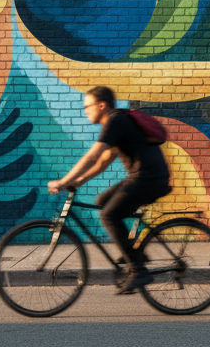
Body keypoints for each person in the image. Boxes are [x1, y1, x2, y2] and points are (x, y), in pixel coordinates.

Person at [48, 86, 171, 294]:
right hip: (143, 177)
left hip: (149, 179)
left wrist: (62, 181)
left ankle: (138, 270)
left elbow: (92, 156)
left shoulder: (116, 121)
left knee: (109, 215)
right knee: (103, 201)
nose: (85, 111)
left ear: (102, 105)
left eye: (88, 106)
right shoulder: (116, 122)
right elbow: (104, 160)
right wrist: (79, 180)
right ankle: (134, 252)